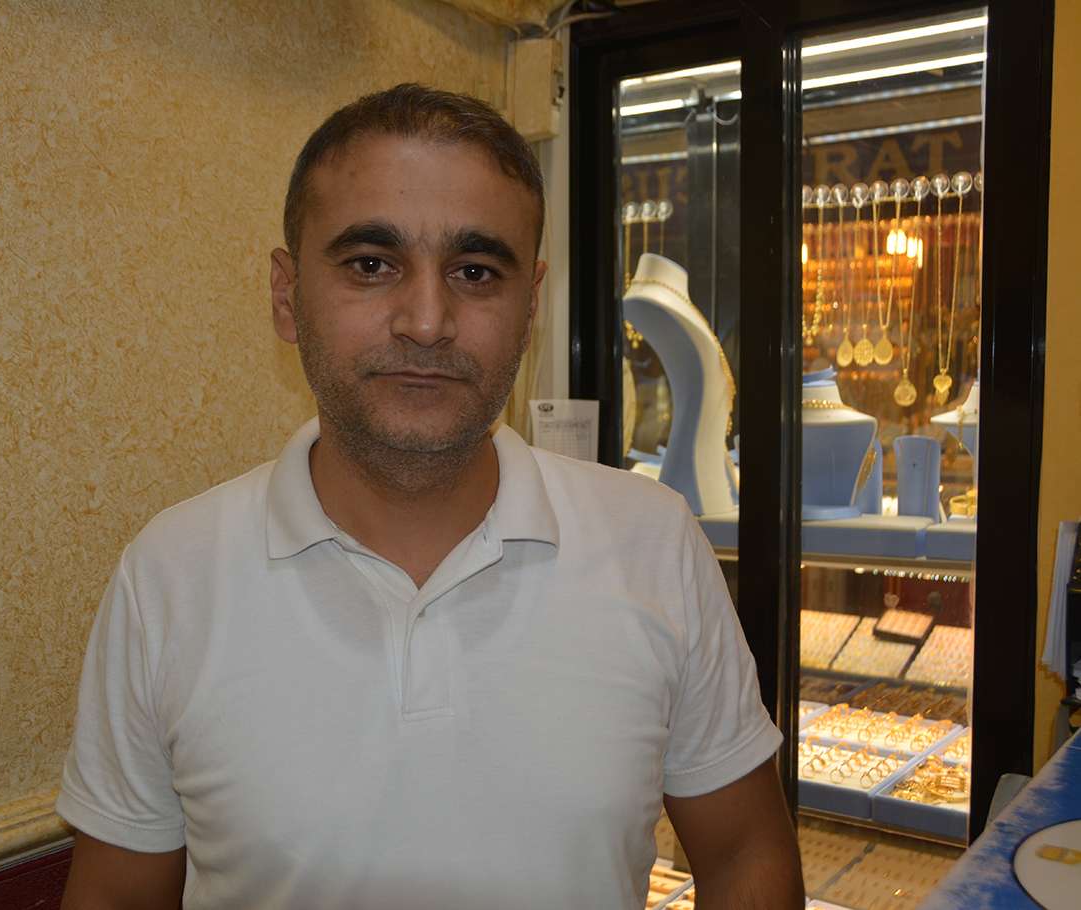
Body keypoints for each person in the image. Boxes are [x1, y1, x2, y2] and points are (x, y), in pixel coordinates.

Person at [56, 83, 804, 910]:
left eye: (475, 272)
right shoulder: (168, 576)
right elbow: (115, 896)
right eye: (371, 265)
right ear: (286, 296)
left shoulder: (653, 544)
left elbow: (746, 855)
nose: (425, 319)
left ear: (531, 304)